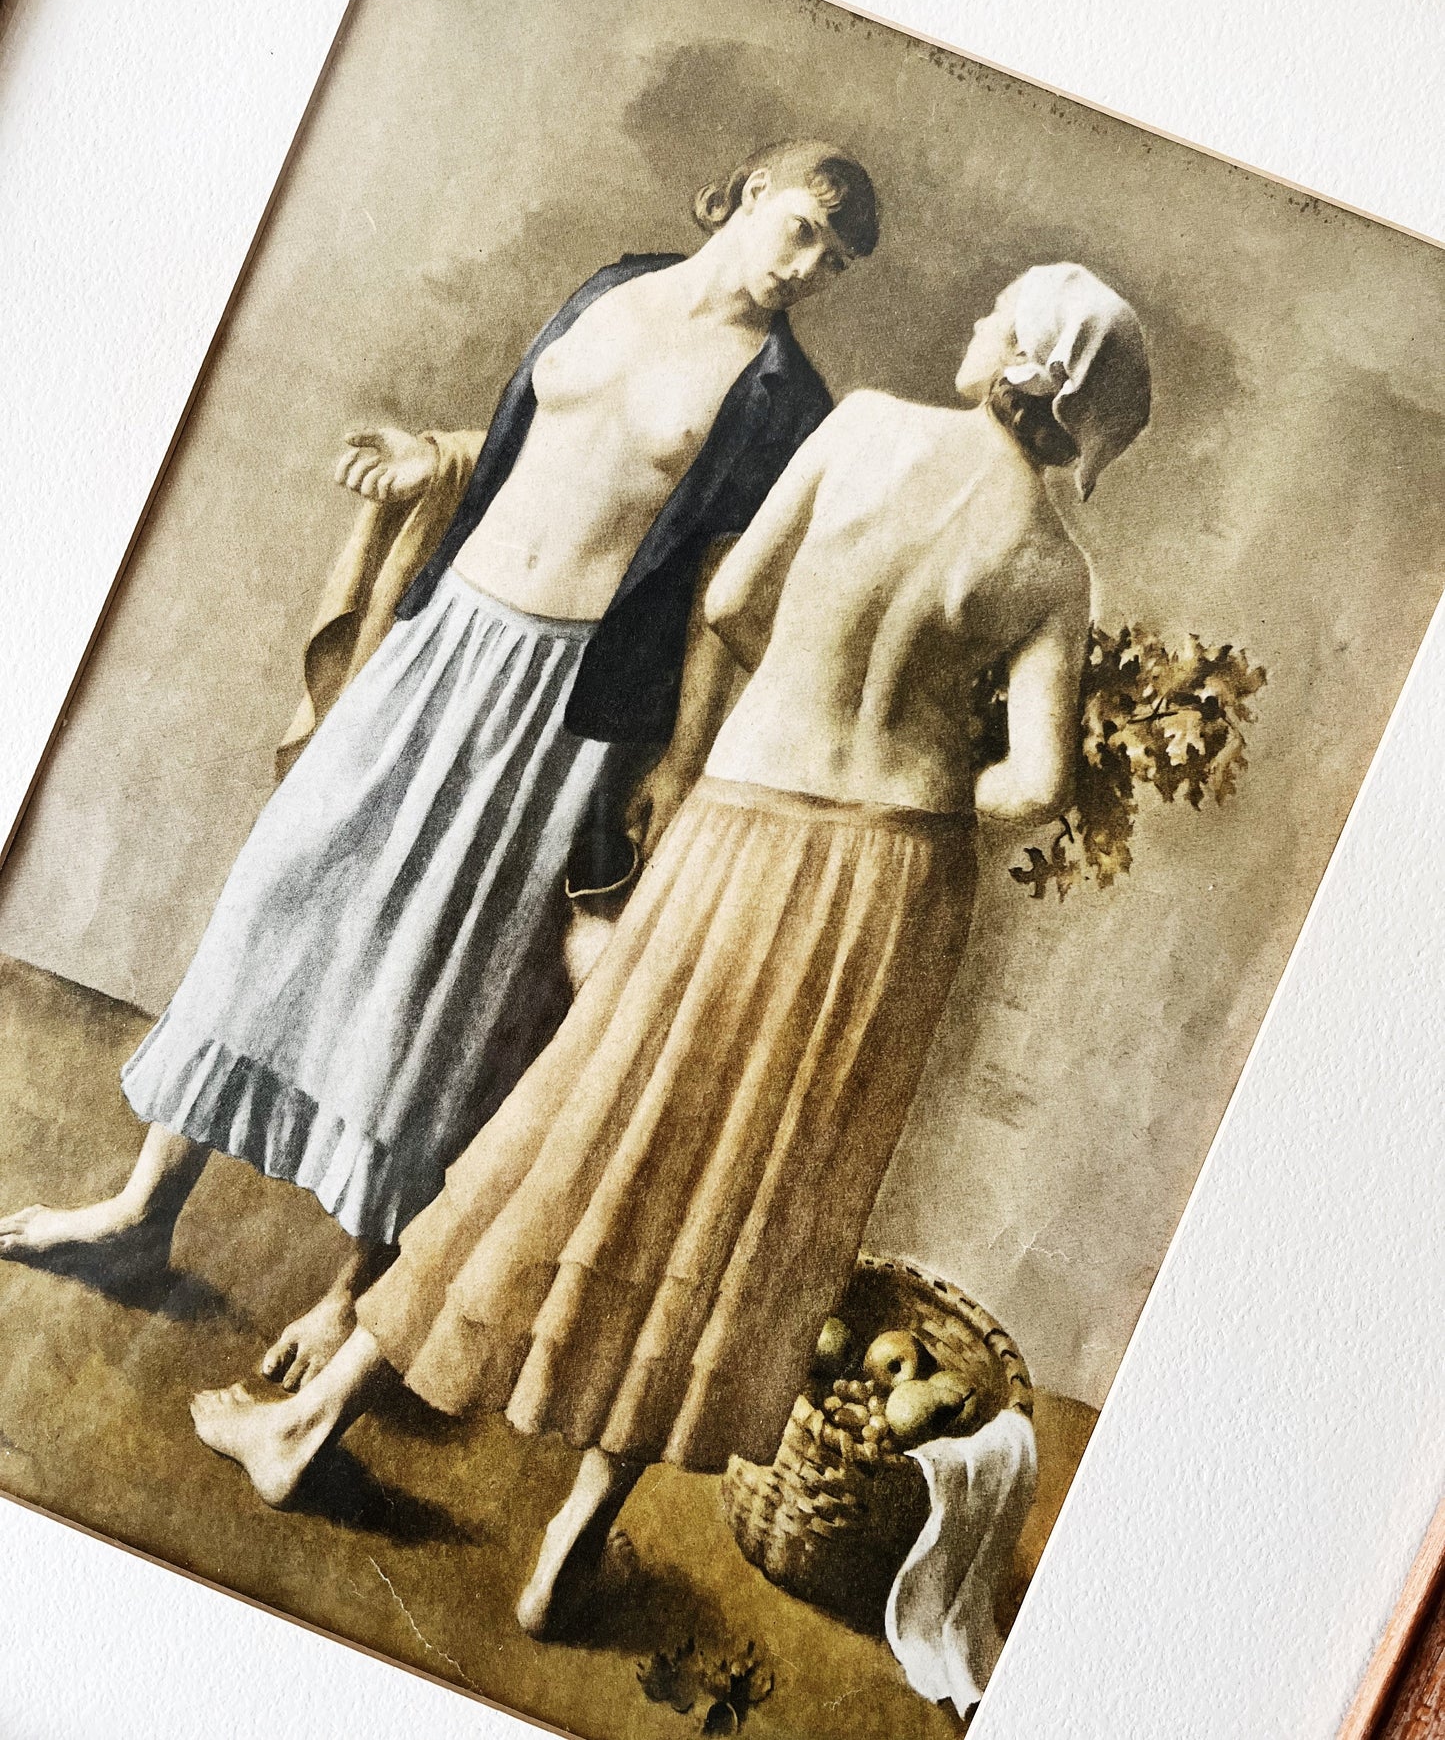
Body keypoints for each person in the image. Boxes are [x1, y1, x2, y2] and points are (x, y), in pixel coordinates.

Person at [187, 262, 1152, 1639]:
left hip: (742, 829)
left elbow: (735, 599)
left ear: (1023, 355)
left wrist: (808, 689)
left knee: (576, 1128)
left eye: (994, 314)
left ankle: (310, 1421)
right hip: (886, 889)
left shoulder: (864, 428)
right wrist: (919, 771)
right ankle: (572, 1540)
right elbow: (1036, 785)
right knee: (753, 1200)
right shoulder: (1052, 565)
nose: (973, 320)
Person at [0, 140, 880, 1390]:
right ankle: (143, 1211)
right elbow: (542, 440)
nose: (806, 270)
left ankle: (352, 1296)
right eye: (800, 230)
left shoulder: (783, 401)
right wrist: (434, 461)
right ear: (746, 193)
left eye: (832, 263)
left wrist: (677, 763)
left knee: (455, 983)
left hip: (564, 702)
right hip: (442, 634)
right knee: (283, 893)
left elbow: (713, 597)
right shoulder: (614, 282)